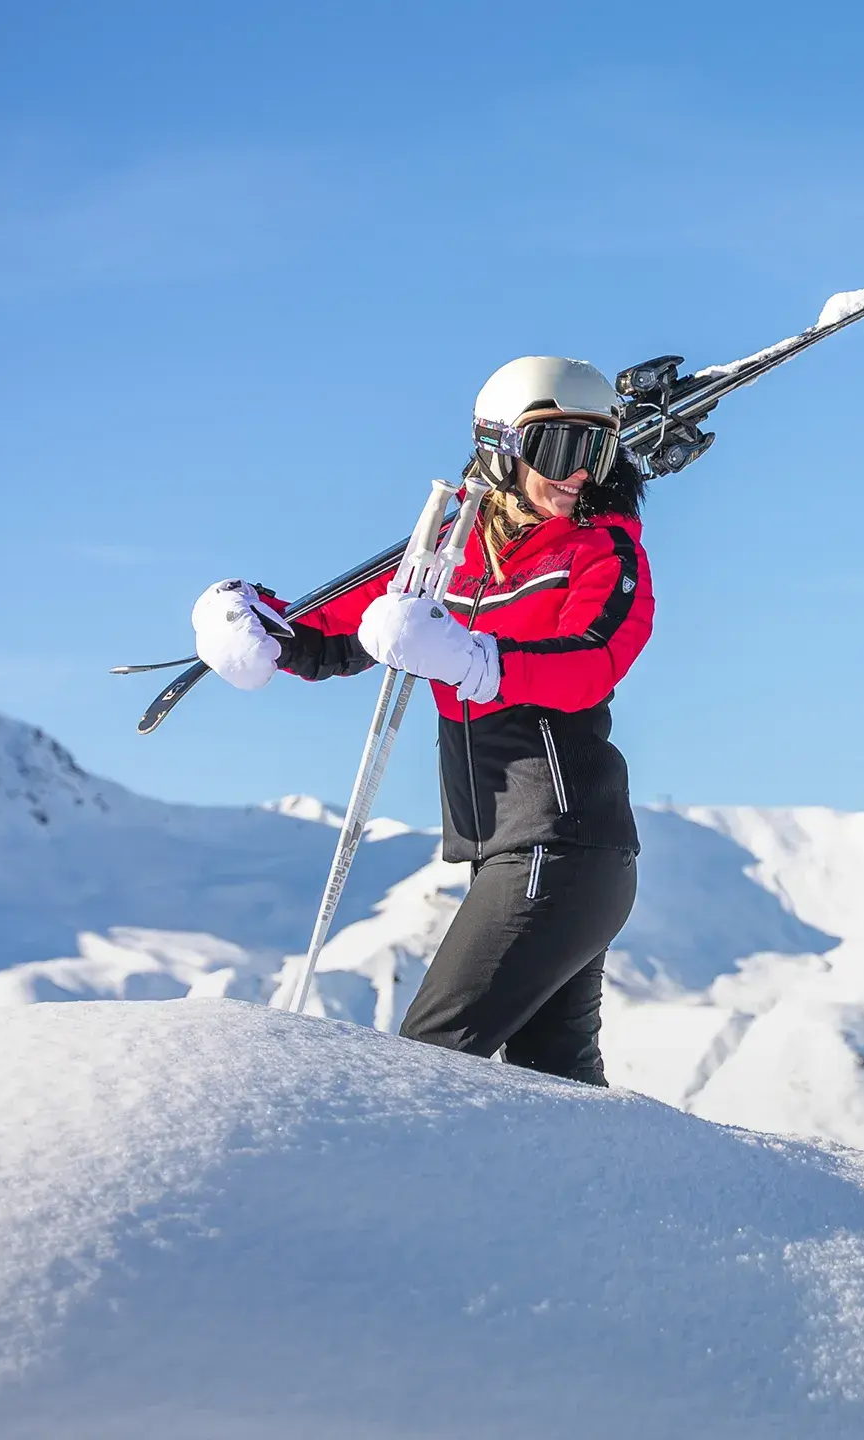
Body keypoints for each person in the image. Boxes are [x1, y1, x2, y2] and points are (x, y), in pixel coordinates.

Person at [189, 356, 654, 1086]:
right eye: (561, 446)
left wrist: (474, 658)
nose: (579, 473)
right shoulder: (448, 551)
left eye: (597, 450)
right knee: (554, 1083)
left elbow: (593, 661)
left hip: (560, 846)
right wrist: (254, 624)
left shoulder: (602, 550)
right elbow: (342, 634)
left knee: (427, 1065)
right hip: (510, 853)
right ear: (501, 445)